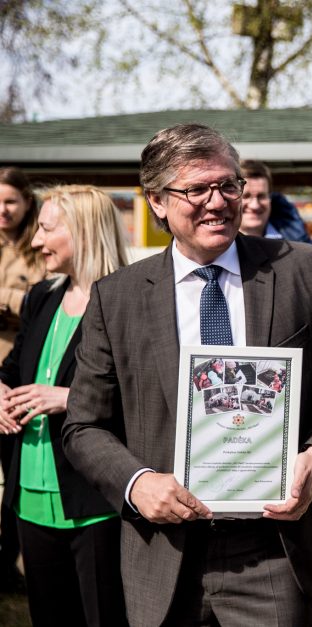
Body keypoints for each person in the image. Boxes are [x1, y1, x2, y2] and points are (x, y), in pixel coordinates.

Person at [62, 123, 312, 626]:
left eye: (228, 184)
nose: (219, 201)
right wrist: (137, 483)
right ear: (158, 201)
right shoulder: (116, 297)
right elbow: (83, 426)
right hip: (163, 552)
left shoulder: (302, 268)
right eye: (197, 189)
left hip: (274, 549)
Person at [0, 184, 128, 626]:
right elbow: (15, 367)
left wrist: (70, 399)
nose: (35, 240)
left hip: (96, 501)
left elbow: (151, 394)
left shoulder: (129, 302)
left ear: (85, 232)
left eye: (46, 228)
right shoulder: (41, 296)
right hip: (29, 499)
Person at [0, 167, 47, 592]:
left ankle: (11, 562)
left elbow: (42, 298)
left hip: (22, 374)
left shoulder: (38, 247)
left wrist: (6, 299)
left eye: (10, 201)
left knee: (13, 473)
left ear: (26, 203)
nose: (2, 210)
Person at [239, 159, 312, 243]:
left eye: (261, 196)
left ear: (270, 198)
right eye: (246, 196)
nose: (255, 205)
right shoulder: (222, 247)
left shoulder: (297, 240)